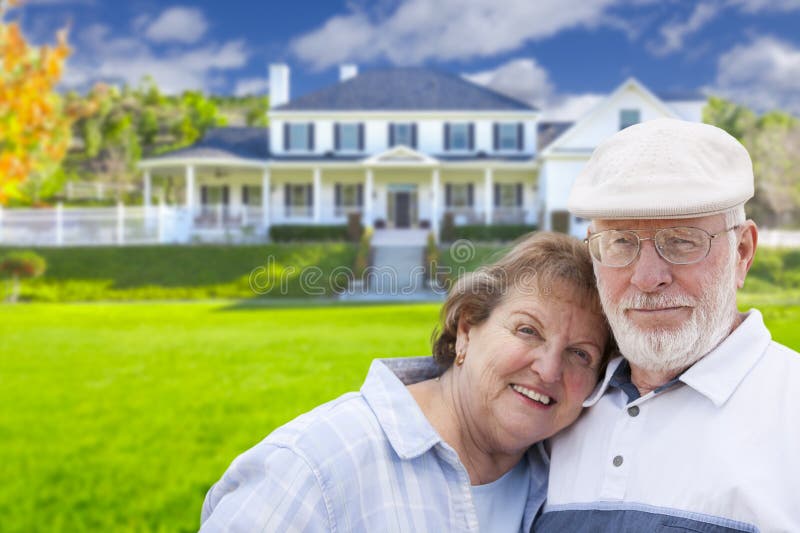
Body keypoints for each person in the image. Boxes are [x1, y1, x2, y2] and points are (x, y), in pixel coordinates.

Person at [200, 232, 613, 532]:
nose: (549, 369)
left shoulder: (564, 484)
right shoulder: (313, 467)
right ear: (467, 330)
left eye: (581, 354)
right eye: (528, 330)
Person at [533, 118, 800, 532]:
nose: (647, 277)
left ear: (742, 252)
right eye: (620, 242)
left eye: (681, 240)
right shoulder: (554, 408)